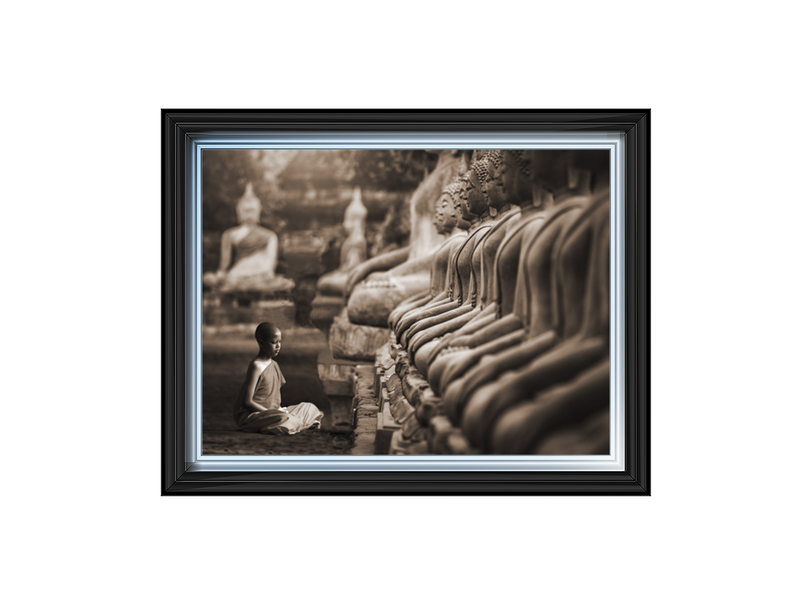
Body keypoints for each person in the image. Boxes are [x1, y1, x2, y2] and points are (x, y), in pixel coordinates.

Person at [232, 322, 323, 435]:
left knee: (310, 408)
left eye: (280, 342)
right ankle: (293, 424)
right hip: (255, 415)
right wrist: (271, 413)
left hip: (275, 413)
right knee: (286, 419)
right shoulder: (256, 365)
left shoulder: (274, 365)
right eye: (274, 342)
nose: (278, 346)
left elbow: (274, 398)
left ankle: (292, 424)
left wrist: (279, 410)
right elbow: (247, 402)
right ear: (261, 342)